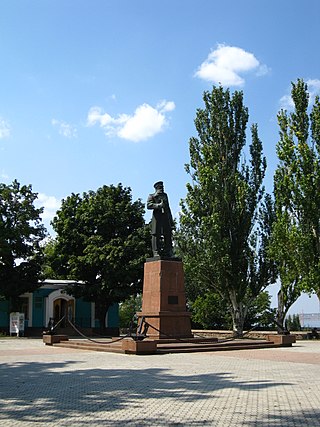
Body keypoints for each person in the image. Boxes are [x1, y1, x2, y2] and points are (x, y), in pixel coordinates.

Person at [147, 181, 174, 257]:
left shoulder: (165, 196)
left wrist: (171, 219)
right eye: (160, 188)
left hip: (165, 216)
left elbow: (168, 207)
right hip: (157, 217)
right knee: (156, 234)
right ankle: (156, 251)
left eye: (162, 187)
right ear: (156, 188)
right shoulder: (151, 196)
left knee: (168, 233)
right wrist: (158, 205)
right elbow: (148, 205)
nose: (161, 189)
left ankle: (168, 251)